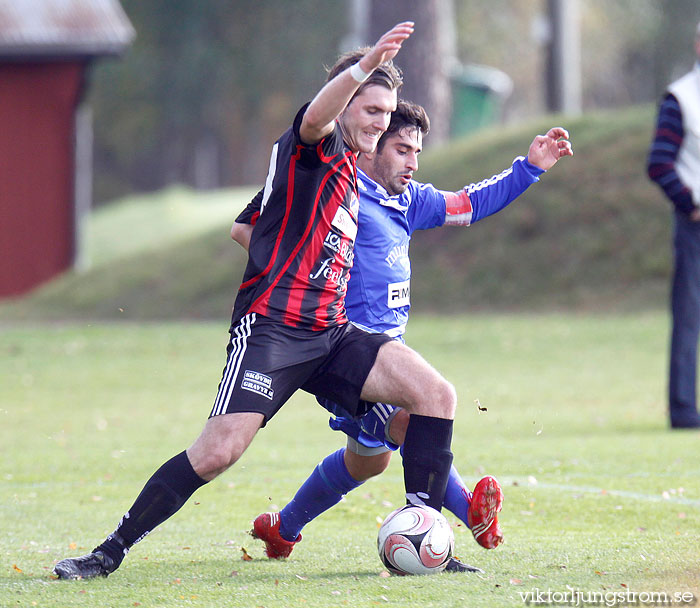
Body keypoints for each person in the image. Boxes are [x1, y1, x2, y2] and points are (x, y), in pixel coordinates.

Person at [53, 21, 465, 580]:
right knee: (218, 452)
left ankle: (427, 534)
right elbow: (314, 120)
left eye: (387, 114)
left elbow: (258, 225)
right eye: (370, 109)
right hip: (272, 332)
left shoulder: (355, 175)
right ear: (347, 105)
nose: (380, 122)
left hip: (332, 332)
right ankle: (108, 552)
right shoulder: (311, 149)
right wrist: (363, 68)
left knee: (435, 395)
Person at [231, 101, 573, 566]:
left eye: (417, 151)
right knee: (411, 419)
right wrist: (299, 273)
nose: (412, 162)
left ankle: (283, 528)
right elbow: (246, 225)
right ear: (370, 147)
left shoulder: (408, 201)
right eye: (401, 149)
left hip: (391, 357)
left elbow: (470, 203)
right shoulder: (336, 192)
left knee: (367, 461)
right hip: (339, 353)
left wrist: (529, 168)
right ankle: (459, 516)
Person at [647, 20, 700, 430]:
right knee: (689, 316)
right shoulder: (681, 98)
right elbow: (660, 162)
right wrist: (690, 204)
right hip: (695, 226)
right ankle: (683, 411)